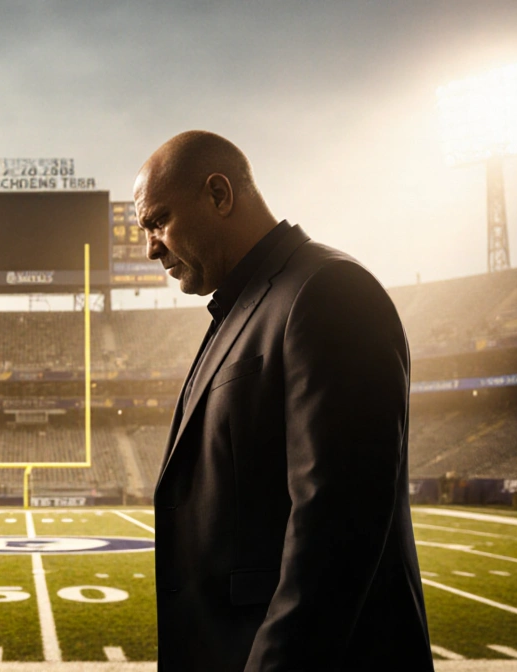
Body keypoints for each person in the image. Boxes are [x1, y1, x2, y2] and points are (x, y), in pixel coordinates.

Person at [136, 132, 433, 670]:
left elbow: (333, 537)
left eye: (158, 221)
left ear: (219, 195)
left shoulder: (327, 290)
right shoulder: (249, 304)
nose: (150, 247)